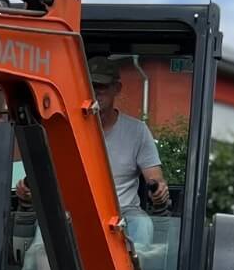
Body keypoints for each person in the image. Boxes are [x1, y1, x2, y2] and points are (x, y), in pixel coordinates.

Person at [15, 56, 170, 248]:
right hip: (73, 210)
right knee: (41, 243)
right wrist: (27, 189)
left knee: (142, 225)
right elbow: (42, 173)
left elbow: (155, 179)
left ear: (117, 88)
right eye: (89, 86)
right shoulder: (64, 128)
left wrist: (159, 190)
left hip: (123, 211)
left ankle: (136, 267)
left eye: (101, 86)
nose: (95, 92)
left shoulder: (137, 131)